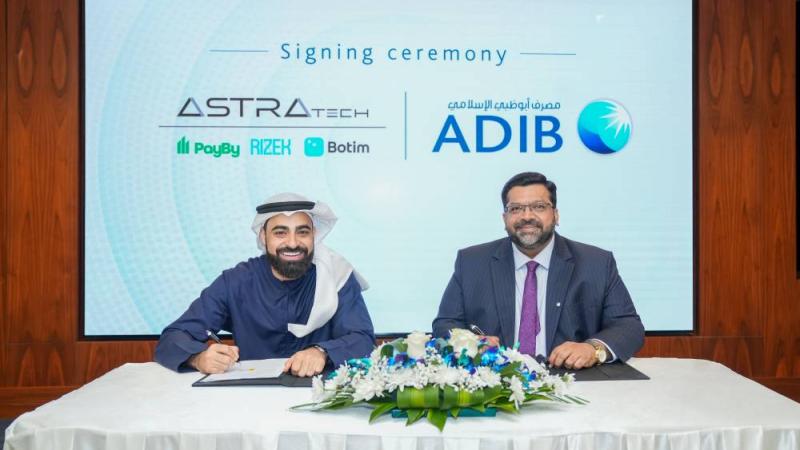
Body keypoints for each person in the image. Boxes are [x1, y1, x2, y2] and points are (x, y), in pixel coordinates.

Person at [432, 172, 644, 369]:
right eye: (516, 209)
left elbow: (628, 326)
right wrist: (470, 342)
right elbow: (445, 324)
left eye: (539, 207)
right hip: (495, 378)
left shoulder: (596, 263)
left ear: (556, 215)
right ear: (505, 218)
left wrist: (593, 349)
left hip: (574, 379)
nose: (527, 216)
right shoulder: (471, 262)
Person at [155, 193, 375, 377]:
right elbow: (174, 336)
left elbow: (362, 340)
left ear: (314, 236)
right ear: (263, 236)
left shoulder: (337, 276)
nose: (292, 243)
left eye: (302, 232)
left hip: (319, 395)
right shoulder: (236, 281)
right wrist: (198, 357)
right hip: (249, 398)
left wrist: (322, 352)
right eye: (280, 233)